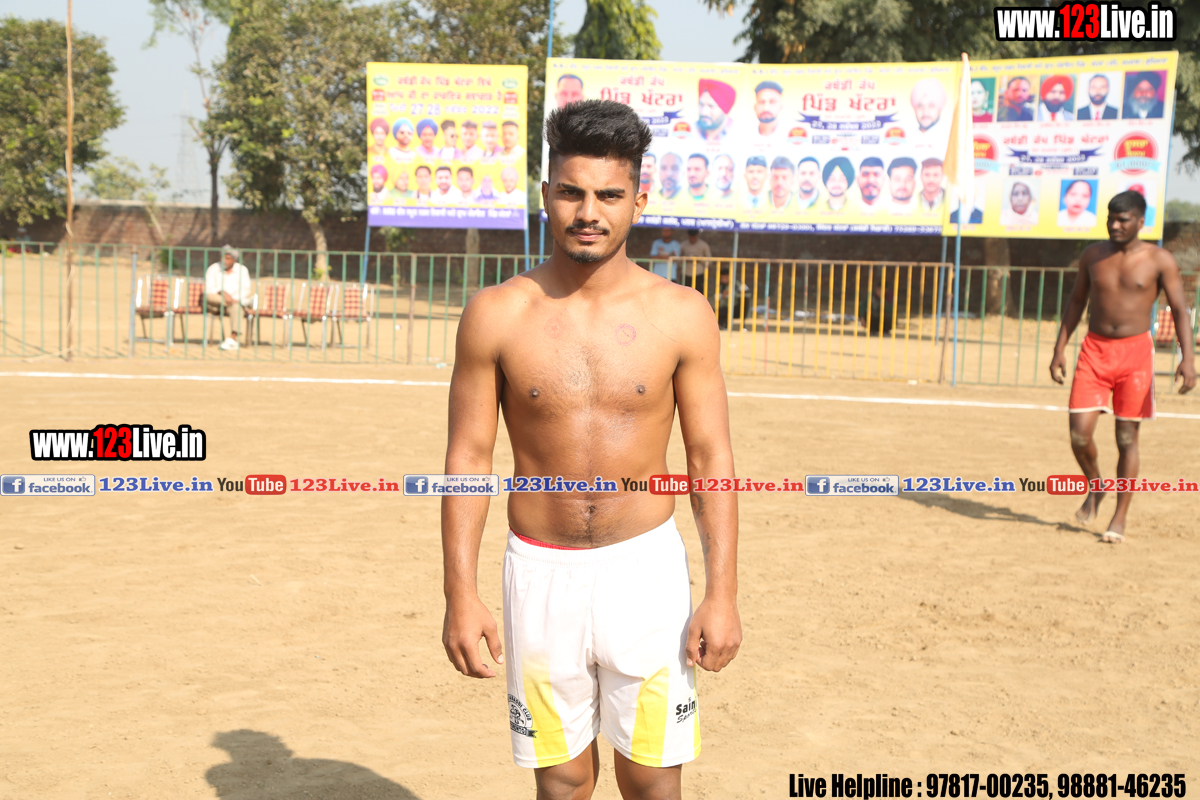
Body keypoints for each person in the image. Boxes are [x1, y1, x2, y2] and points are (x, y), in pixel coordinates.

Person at [441, 99, 740, 800]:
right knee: (563, 781)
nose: (588, 212)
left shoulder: (682, 314)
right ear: (546, 194)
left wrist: (722, 593)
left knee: (651, 780)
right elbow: (468, 458)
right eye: (572, 193)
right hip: (539, 574)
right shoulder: (495, 314)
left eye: (608, 195)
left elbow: (710, 458)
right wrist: (460, 592)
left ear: (639, 200)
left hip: (646, 572)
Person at [1049, 190, 1195, 542]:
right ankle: (1096, 485)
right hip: (1094, 351)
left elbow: (1179, 310)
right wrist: (1059, 348)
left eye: (1122, 220)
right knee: (1079, 434)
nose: (1114, 225)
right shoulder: (1093, 255)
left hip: (1135, 355)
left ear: (1141, 221)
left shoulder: (1159, 260)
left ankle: (1119, 516)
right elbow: (1077, 301)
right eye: (1110, 219)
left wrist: (1188, 359)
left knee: (1127, 437)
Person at [204, 245, 252, 351]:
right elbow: (209, 289)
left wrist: (234, 299)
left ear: (234, 259)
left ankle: (232, 339)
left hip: (234, 302)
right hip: (215, 302)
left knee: (236, 307)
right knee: (208, 296)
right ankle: (242, 303)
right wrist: (222, 293)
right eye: (222, 257)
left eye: (227, 258)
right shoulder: (213, 269)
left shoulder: (242, 270)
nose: (224, 260)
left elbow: (246, 289)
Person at [696, 79, 736, 144]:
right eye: (701, 105)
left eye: (711, 106)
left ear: (725, 109)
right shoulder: (689, 130)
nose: (704, 112)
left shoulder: (740, 135)